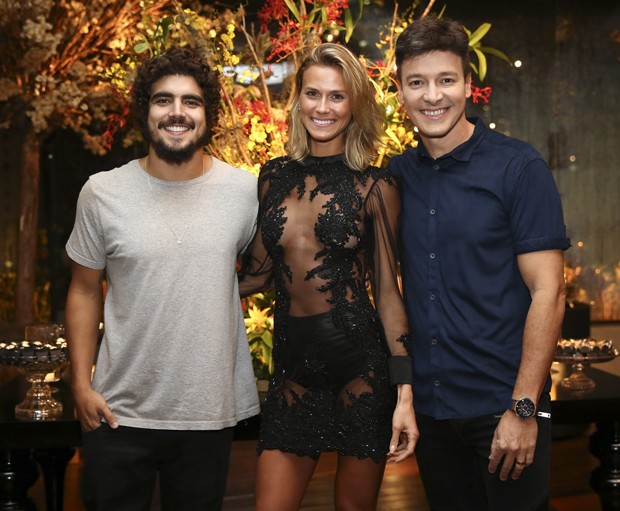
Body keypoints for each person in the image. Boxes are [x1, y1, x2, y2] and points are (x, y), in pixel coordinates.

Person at [388, 15, 571, 511]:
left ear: (469, 85)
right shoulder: (396, 177)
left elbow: (549, 293)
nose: (433, 96)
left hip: (505, 405)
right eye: (417, 83)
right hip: (434, 411)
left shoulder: (518, 167)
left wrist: (524, 408)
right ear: (400, 92)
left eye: (446, 80)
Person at [64, 46, 260, 511]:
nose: (177, 113)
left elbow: (268, 272)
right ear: (144, 111)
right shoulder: (102, 193)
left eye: (191, 102)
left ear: (207, 114)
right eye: (163, 100)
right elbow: (84, 289)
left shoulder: (244, 192)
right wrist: (80, 385)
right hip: (117, 413)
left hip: (208, 414)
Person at [238, 43, 418, 511]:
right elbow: (257, 274)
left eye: (336, 96)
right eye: (313, 93)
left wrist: (405, 391)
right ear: (297, 99)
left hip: (360, 369)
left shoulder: (375, 186)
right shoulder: (272, 177)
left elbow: (387, 293)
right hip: (293, 373)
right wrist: (183, 280)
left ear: (354, 104)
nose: (323, 107)